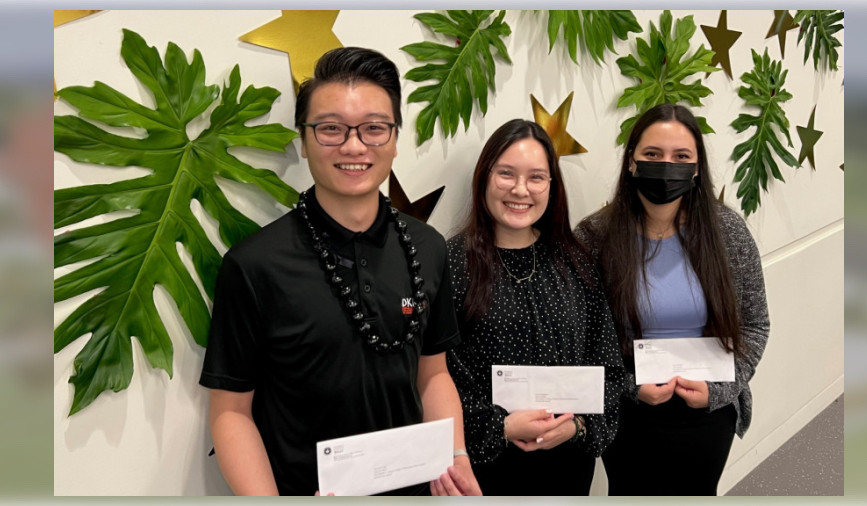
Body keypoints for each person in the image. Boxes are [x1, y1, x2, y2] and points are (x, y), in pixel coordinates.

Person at [199, 47, 480, 496]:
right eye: (331, 129)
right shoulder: (254, 265)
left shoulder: (427, 247)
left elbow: (433, 373)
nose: (354, 146)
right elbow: (231, 411)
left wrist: (456, 454)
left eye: (374, 128)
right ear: (304, 138)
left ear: (394, 137)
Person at [575, 103, 770, 496]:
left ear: (697, 168)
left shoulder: (728, 232)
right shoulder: (594, 237)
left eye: (681, 157)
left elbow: (754, 324)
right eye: (652, 155)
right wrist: (629, 387)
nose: (667, 167)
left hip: (706, 411)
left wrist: (719, 391)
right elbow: (582, 338)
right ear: (631, 162)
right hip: (629, 411)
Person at [445, 119, 626, 495]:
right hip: (486, 468)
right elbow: (440, 374)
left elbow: (606, 361)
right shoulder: (451, 264)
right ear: (484, 178)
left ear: (551, 186)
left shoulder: (575, 261)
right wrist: (500, 427)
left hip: (568, 464)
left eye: (536, 177)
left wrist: (580, 425)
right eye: (506, 174)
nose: (520, 190)